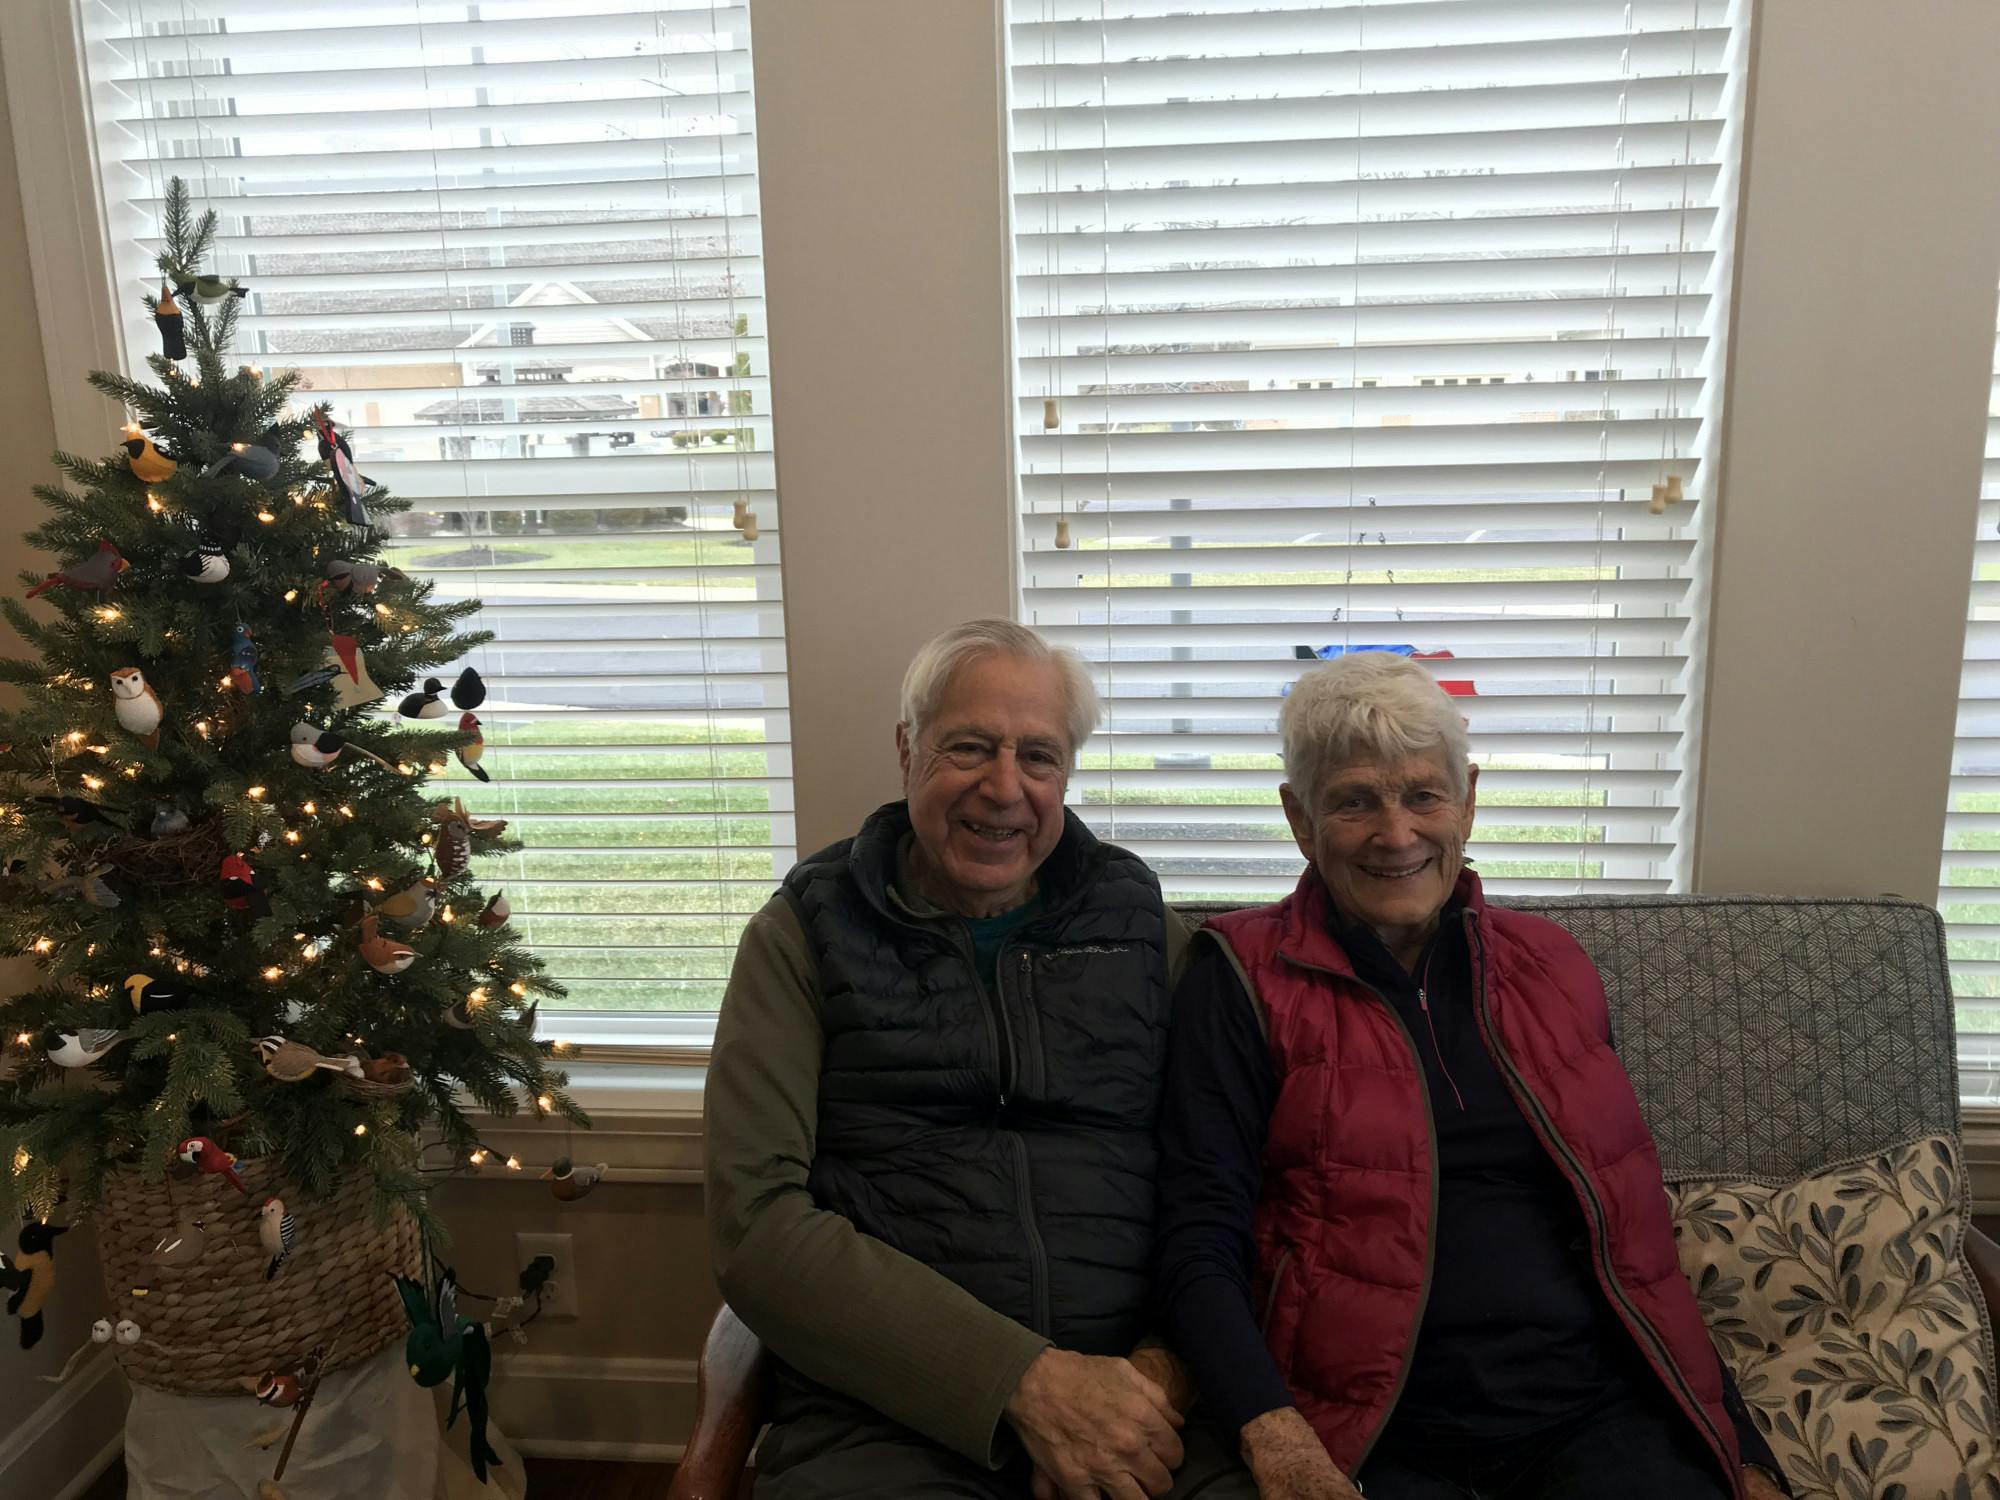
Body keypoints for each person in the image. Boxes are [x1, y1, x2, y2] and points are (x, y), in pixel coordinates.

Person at [1155, 651, 1789, 1500]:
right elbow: (1198, 1242)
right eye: (1354, 800)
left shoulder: (1553, 966)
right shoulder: (1237, 977)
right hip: (1378, 1429)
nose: (1397, 832)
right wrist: (1280, 1441)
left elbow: (1634, 1238)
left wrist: (1744, 1452)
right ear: (1300, 820)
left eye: (1424, 793)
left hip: (1592, 1414)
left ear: (1469, 800)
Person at [705, 619, 1256, 1500]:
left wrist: (1157, 1376)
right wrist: (1027, 1385)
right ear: (905, 749)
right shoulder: (802, 934)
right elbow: (757, 1228)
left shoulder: (1145, 933)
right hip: (883, 1413)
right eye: (969, 747)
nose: (1005, 788)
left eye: (1039, 757)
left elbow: (1237, 1183)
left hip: (1141, 1402)